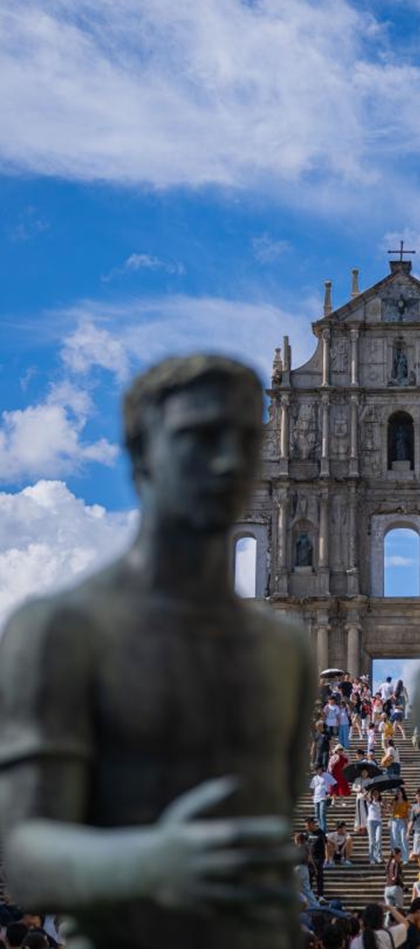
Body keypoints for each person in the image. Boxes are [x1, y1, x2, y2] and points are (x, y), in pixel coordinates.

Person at [0, 355, 316, 949]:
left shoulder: (285, 652)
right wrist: (152, 864)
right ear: (141, 450)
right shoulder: (59, 629)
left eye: (249, 439)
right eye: (199, 437)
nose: (229, 461)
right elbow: (24, 857)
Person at [311, 764, 337, 831]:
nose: (316, 772)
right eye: (315, 770)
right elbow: (312, 787)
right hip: (316, 798)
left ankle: (324, 830)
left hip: (323, 797)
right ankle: (320, 829)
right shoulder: (315, 778)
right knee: (317, 814)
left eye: (317, 770)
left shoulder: (327, 775)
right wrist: (312, 795)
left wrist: (330, 793)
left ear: (321, 769)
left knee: (322, 814)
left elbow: (335, 784)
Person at [390, 785, 411, 860]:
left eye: (400, 791)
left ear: (403, 793)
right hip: (394, 820)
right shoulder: (394, 801)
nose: (398, 793)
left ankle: (405, 858)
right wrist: (387, 805)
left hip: (403, 821)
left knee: (403, 839)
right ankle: (394, 857)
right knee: (394, 839)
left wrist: (408, 824)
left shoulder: (406, 802)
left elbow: (408, 814)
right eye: (397, 792)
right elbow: (391, 812)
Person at [366, 789, 384, 864]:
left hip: (378, 822)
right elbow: (364, 796)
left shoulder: (380, 803)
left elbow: (383, 814)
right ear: (372, 795)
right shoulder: (369, 802)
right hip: (370, 822)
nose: (375, 795)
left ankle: (378, 856)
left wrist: (384, 806)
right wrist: (369, 791)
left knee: (378, 839)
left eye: (377, 794)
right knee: (372, 841)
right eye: (374, 794)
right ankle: (372, 857)